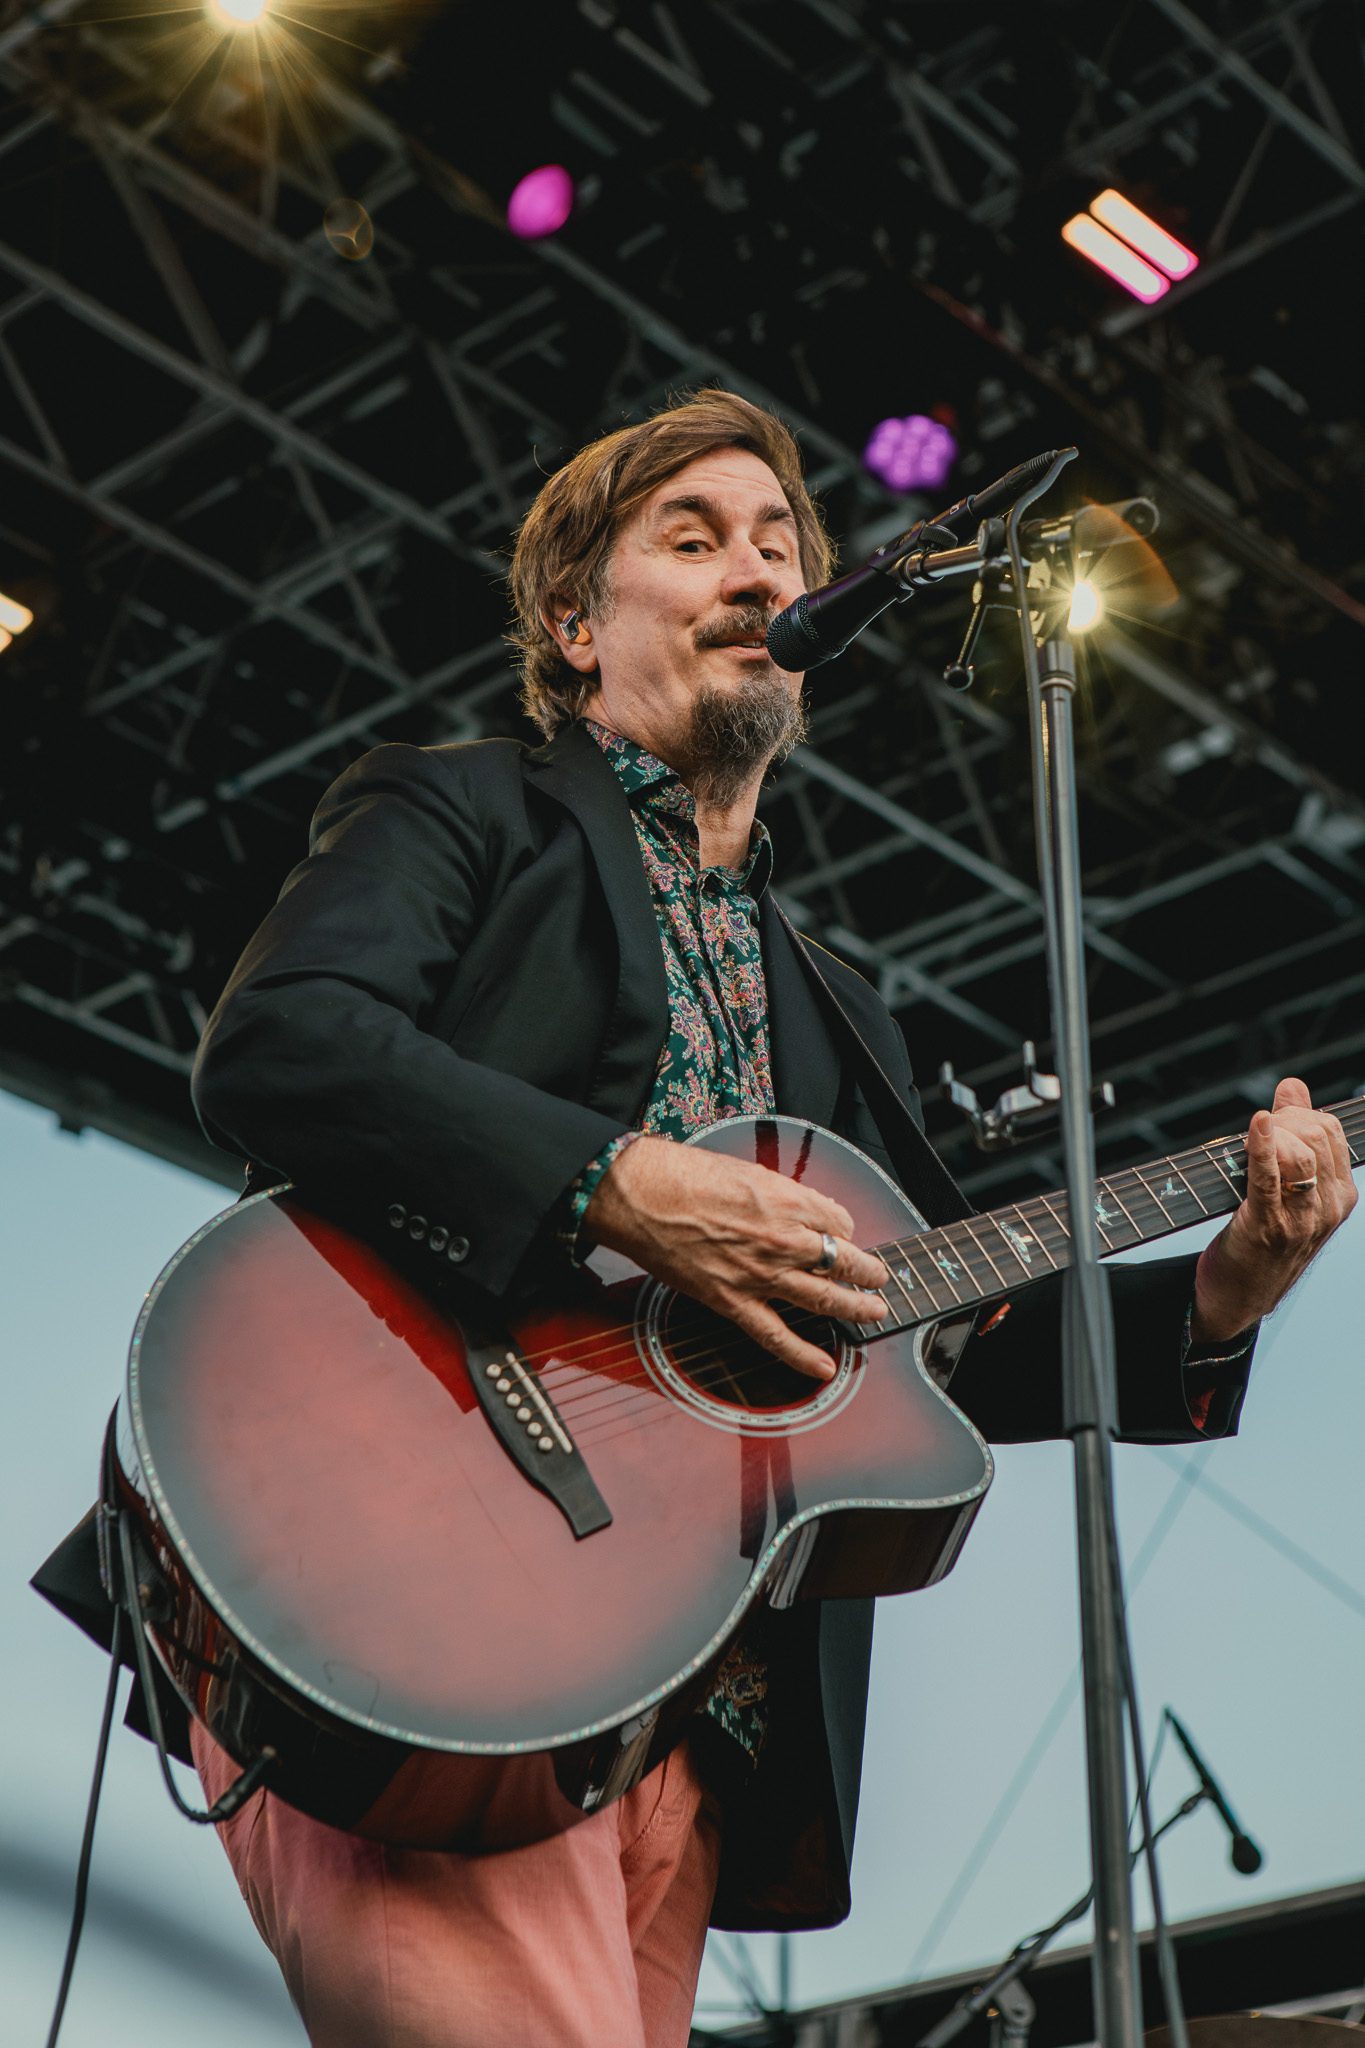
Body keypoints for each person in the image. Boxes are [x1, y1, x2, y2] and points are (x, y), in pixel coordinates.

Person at [35, 390, 1356, 2048]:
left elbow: (946, 1338)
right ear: (575, 627)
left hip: (689, 1703)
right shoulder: (462, 811)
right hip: (419, 1603)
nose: (756, 567)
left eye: (779, 540)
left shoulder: (837, 1003)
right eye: (695, 537)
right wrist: (615, 1183)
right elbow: (282, 1046)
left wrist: (1227, 1290)